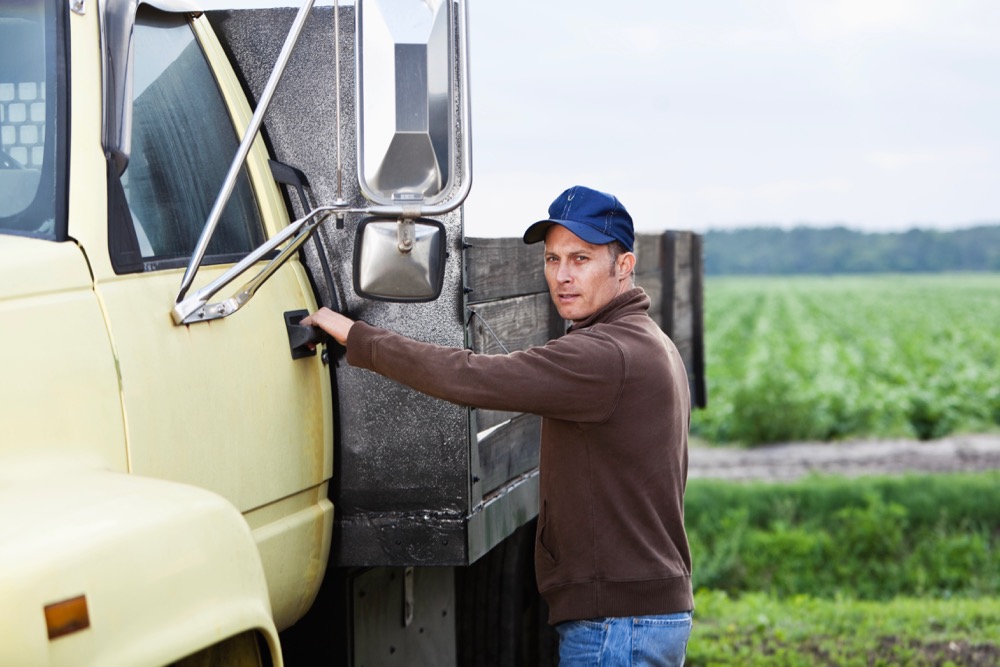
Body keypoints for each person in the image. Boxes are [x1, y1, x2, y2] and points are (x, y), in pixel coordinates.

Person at [303, 185, 694, 666]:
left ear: (623, 266)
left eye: (581, 259)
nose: (562, 277)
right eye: (552, 260)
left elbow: (471, 375)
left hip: (617, 626)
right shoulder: (645, 341)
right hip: (633, 615)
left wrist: (359, 337)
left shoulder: (604, 355)